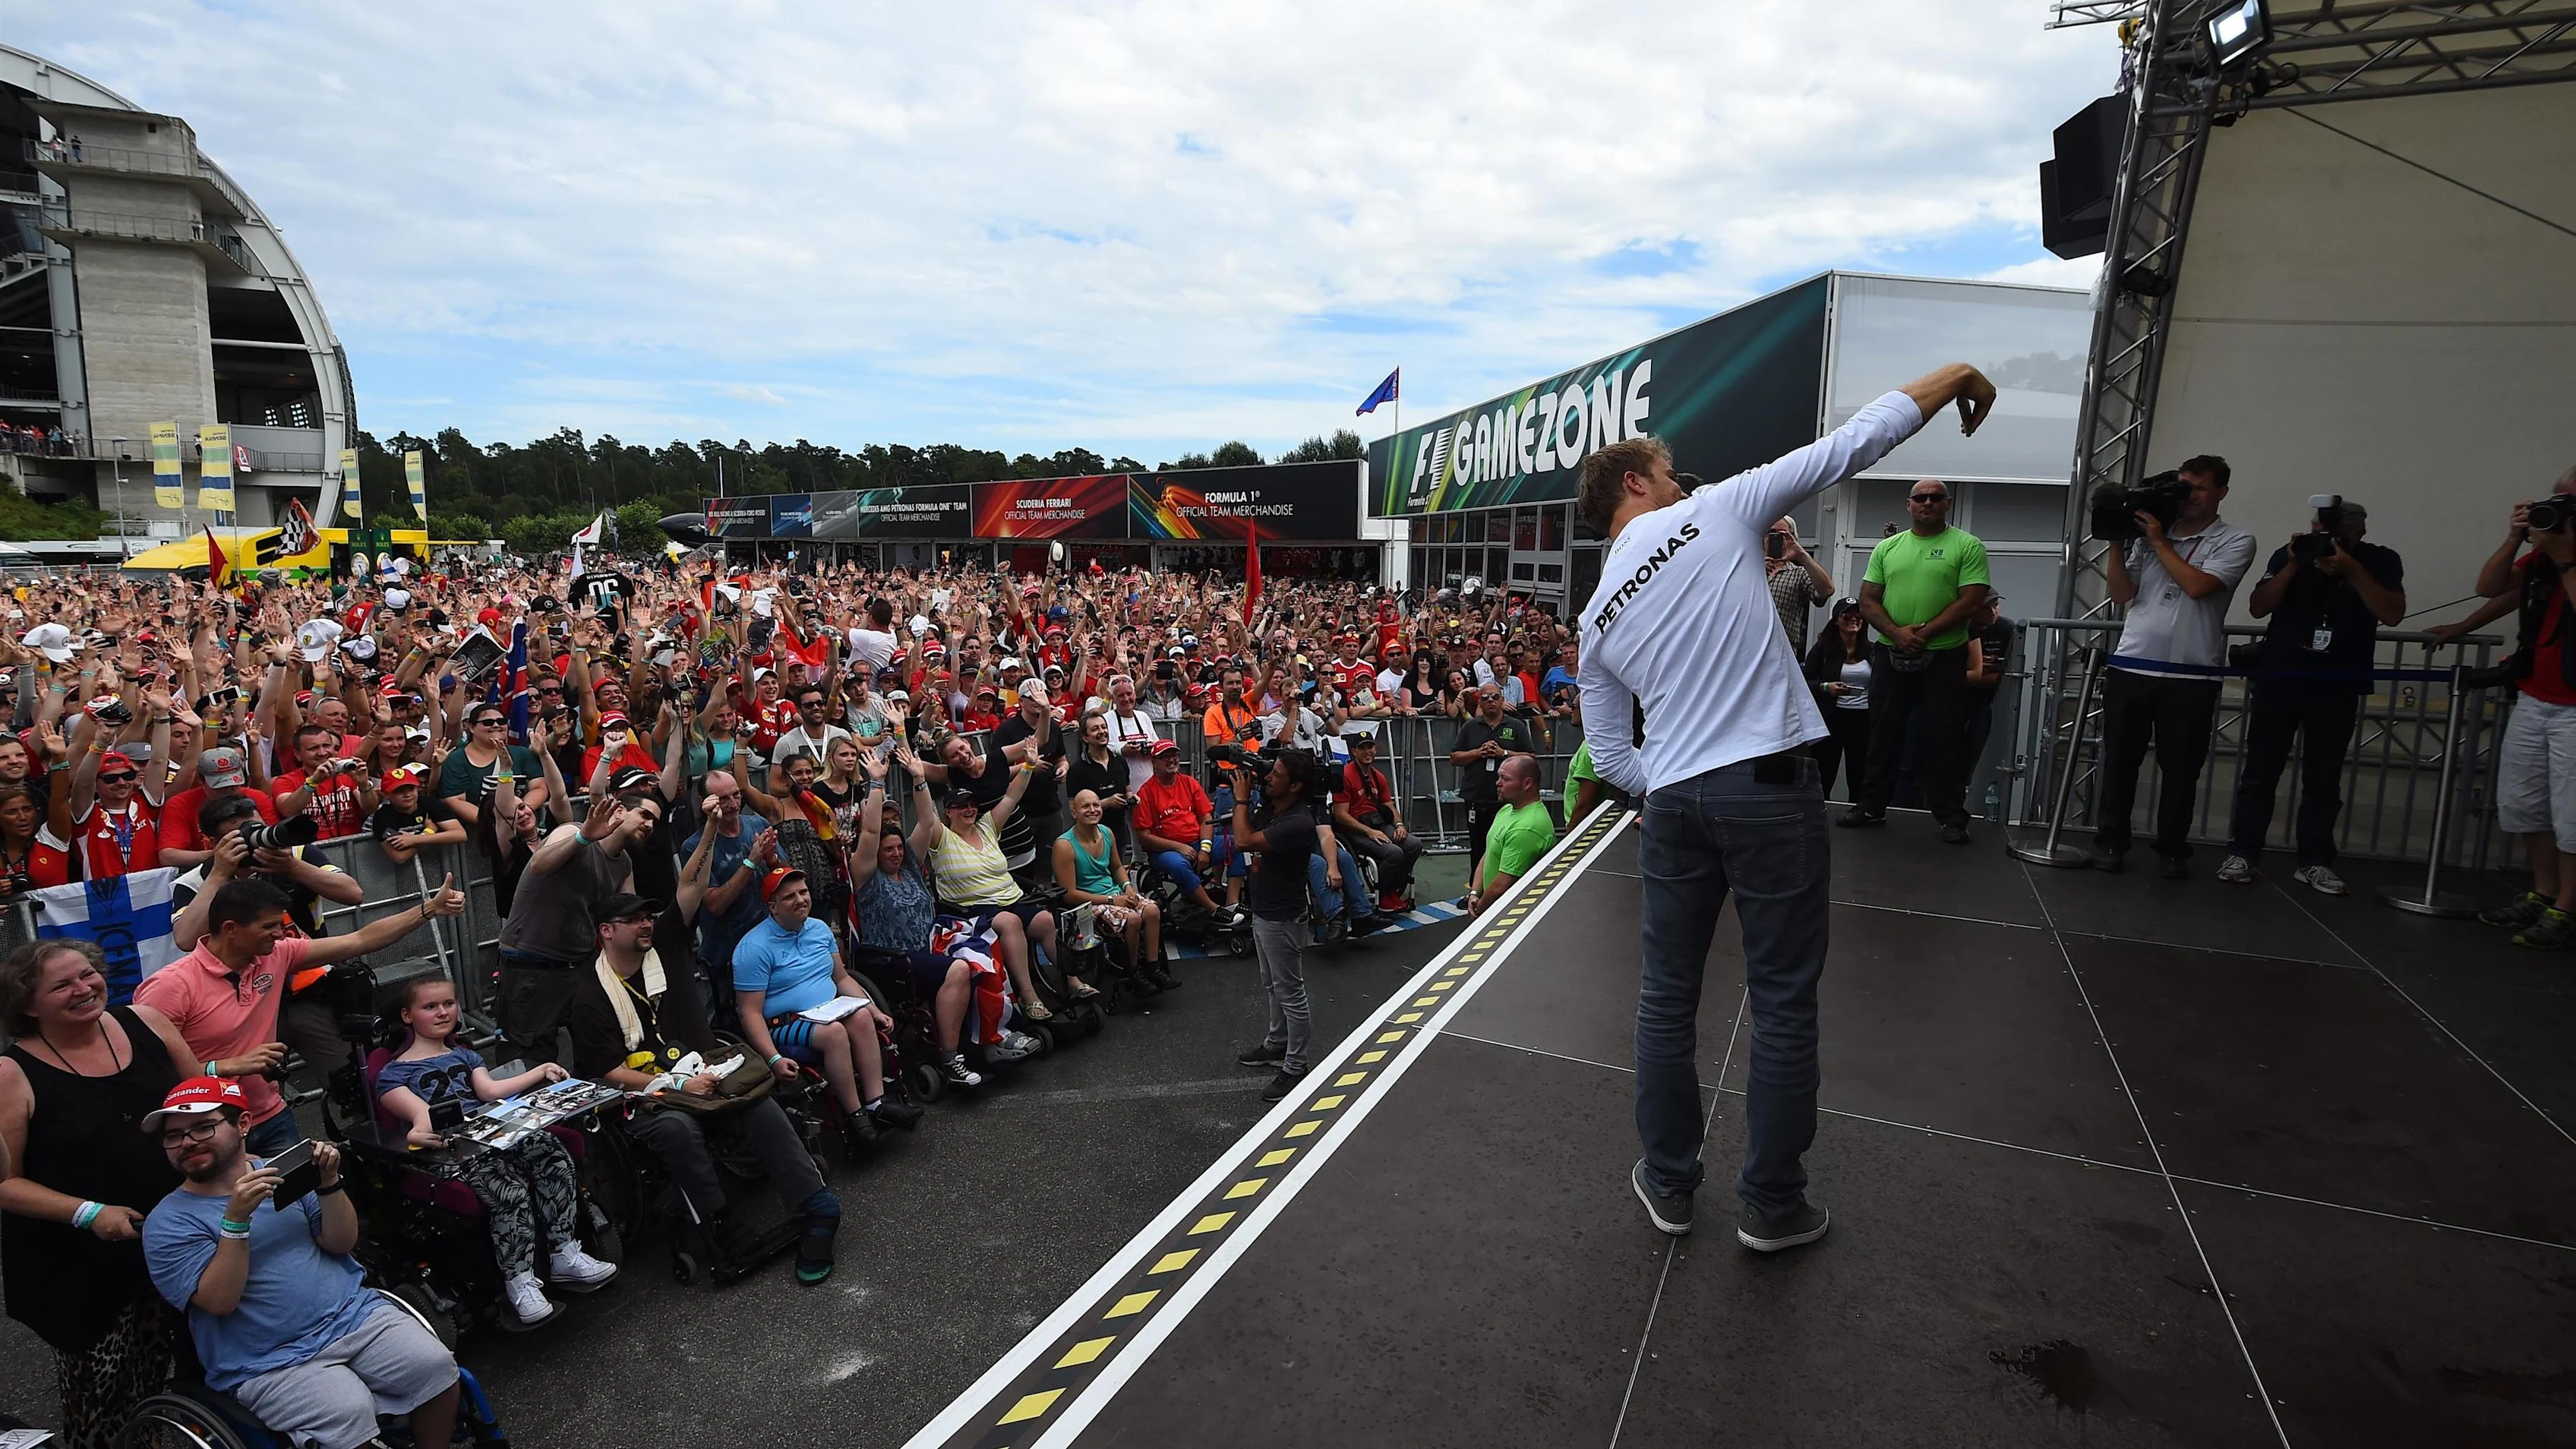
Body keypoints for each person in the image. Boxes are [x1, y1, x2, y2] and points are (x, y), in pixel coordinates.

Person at [1577, 361, 1997, 1252]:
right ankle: (1769, 1204)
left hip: (1677, 801)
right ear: (1634, 481)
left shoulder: (1593, 619)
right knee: (1779, 1001)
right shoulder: (1716, 509)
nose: (1678, 480)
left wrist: (1668, 785)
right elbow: (1855, 440)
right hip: (1766, 787)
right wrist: (1954, 374)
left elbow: (1610, 752)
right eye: (1666, 470)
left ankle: (1668, 1181)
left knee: (1664, 999)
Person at [140, 1077, 463, 1449]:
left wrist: (328, 1182)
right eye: (175, 1135)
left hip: (352, 1316)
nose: (187, 1142)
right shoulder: (168, 1222)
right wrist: (234, 1222)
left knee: (436, 1367)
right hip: (265, 1359)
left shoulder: (281, 1172)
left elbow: (341, 1243)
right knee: (347, 1410)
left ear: (242, 1125)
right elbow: (219, 1301)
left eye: (203, 1127)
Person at [563, 894, 843, 1286]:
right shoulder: (589, 992)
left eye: (648, 917)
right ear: (606, 932)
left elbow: (690, 890)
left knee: (756, 1103)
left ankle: (817, 1204)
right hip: (644, 1095)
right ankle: (722, 1223)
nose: (646, 924)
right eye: (633, 920)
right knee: (677, 1127)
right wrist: (678, 1084)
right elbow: (609, 1071)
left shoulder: (666, 962)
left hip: (697, 1066)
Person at [0, 940, 194, 1449]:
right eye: (62, 985)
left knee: (173, 1366)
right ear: (25, 1004)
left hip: (172, 1239)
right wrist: (89, 1213)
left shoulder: (148, 1021)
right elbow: (5, 1184)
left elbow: (204, 1105)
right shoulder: (10, 1074)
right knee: (103, 1396)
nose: (84, 989)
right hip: (80, 1264)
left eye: (88, 974)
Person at [138, 875, 469, 1157]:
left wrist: (429, 910)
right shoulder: (171, 986)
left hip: (270, 1116)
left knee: (297, 1208)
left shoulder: (275, 955)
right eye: (268, 926)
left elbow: (360, 939)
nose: (280, 934)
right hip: (206, 1129)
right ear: (230, 929)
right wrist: (221, 1068)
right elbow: (145, 1072)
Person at [374, 977, 617, 1326]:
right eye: (430, 1007)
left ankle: (564, 1253)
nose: (443, 1012)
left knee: (552, 1152)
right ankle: (520, 1281)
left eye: (448, 1003)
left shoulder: (466, 1054)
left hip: (494, 1132)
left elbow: (489, 1092)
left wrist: (540, 1070)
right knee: (510, 1190)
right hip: (453, 1149)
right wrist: (416, 1132)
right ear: (407, 1015)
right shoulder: (392, 1073)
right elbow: (419, 1115)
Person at [2218, 502, 2404, 895]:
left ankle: (2315, 861)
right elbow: (2258, 607)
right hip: (2281, 678)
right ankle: (2243, 852)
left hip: (2338, 683)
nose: (2329, 539)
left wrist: (2352, 569)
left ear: (2360, 531)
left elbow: (2391, 613)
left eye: (2340, 532)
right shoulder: (2294, 555)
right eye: (2322, 530)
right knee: (2260, 773)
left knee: (2324, 779)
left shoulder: (2380, 560)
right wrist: (2291, 565)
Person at [2091, 456, 2258, 879]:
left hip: (2191, 673)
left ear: (2221, 492)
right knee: (2119, 763)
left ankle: (2171, 850)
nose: (2189, 496)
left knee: (2181, 768)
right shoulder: (2148, 541)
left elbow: (2200, 587)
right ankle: (2111, 842)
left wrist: (2161, 542)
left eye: (2199, 488)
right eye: (2183, 486)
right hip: (2133, 665)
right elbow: (2121, 594)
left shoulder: (2235, 540)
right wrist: (2117, 539)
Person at [2429, 470, 2576, 946]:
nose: (2562, 510)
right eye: (2560, 500)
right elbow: (2493, 587)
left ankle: (2567, 909)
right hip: (2536, 695)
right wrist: (2515, 537)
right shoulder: (2546, 557)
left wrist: (2564, 556)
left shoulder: (2562, 557)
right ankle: (2543, 892)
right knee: (2525, 802)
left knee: (2572, 814)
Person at [848, 749, 1036, 1080]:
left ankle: (997, 1036)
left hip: (931, 943)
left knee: (985, 947)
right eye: (887, 850)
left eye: (898, 848)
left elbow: (926, 822)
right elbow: (869, 834)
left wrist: (919, 778)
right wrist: (876, 784)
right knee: (960, 969)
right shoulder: (866, 876)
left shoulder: (910, 867)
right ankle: (951, 1059)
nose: (894, 853)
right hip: (893, 958)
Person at [733, 863, 925, 1155]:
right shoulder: (753, 949)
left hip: (829, 1009)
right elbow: (749, 1013)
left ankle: (877, 1103)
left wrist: (873, 1010)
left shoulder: (819, 929)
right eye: (789, 897)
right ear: (773, 907)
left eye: (803, 892)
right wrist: (772, 1059)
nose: (800, 900)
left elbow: (842, 978)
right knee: (834, 1033)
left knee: (860, 1016)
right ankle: (856, 1116)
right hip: (783, 1023)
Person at [1845, 480, 1990, 844]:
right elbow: (1868, 600)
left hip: (1944, 656)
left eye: (1935, 498)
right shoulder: (1887, 548)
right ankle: (1872, 805)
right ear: (1908, 505)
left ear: (1948, 504)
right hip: (1891, 654)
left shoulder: (1967, 546)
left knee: (1945, 736)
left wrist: (1922, 635)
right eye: (1920, 498)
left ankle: (1951, 816)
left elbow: (1971, 601)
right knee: (1882, 732)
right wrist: (1897, 634)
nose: (1928, 503)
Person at [495, 789, 661, 1062]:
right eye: (644, 815)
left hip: (578, 966)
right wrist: (584, 837)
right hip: (532, 966)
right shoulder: (572, 831)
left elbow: (627, 917)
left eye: (655, 821)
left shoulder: (624, 864)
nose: (650, 825)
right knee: (527, 1060)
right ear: (619, 811)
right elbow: (539, 864)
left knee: (598, 1049)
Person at [927, 757, 1067, 1015]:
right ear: (948, 811)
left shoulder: (987, 827)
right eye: (960, 806)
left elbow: (1012, 797)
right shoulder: (941, 837)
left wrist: (1028, 766)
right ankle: (1028, 995)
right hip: (972, 911)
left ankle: (1071, 982)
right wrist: (917, 777)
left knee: (1046, 919)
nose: (968, 810)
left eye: (971, 805)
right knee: (1009, 922)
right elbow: (926, 814)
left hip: (1011, 900)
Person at [1230, 748, 1326, 1103]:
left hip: (1282, 918)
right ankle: (1276, 1043)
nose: (1269, 776)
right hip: (1265, 911)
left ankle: (1296, 1066)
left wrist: (1241, 798)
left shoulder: (1298, 822)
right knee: (1272, 985)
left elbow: (1244, 840)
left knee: (1291, 992)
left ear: (1296, 785)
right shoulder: (1275, 807)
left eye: (1277, 774)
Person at [1053, 788, 1176, 990]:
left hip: (1114, 894)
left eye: (1096, 805)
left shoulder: (1106, 833)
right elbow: (1070, 895)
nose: (1092, 810)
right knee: (1133, 919)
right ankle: (1133, 972)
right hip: (1089, 903)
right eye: (1085, 806)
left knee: (1153, 910)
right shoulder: (1065, 845)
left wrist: (1128, 887)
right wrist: (1111, 900)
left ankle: (1153, 967)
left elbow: (1117, 867)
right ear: (1074, 813)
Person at [680, 771, 772, 999]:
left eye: (737, 796)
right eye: (723, 799)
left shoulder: (757, 824)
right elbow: (715, 904)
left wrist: (772, 861)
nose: (733, 804)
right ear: (705, 802)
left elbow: (784, 877)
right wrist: (752, 861)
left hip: (770, 944)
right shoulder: (694, 847)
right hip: (727, 956)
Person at [1134, 738, 1239, 923]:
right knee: (1178, 865)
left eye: (1174, 755)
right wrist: (1178, 847)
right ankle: (1214, 910)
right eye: (1165, 757)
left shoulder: (1189, 783)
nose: (1171, 760)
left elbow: (1206, 818)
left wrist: (1205, 848)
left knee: (1238, 844)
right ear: (1154, 763)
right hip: (1164, 851)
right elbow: (1144, 837)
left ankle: (1232, 904)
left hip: (1199, 842)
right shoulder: (1145, 792)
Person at [1332, 731, 1421, 913]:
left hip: (1378, 823)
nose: (1367, 751)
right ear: (1354, 751)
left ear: (1376, 749)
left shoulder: (1378, 777)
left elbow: (1389, 804)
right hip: (1354, 829)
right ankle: (1384, 893)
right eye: (1362, 748)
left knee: (1414, 844)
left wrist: (1399, 825)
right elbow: (1341, 815)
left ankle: (1392, 889)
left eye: (1370, 747)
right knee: (1394, 853)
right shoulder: (1345, 775)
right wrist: (1369, 832)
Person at [1449, 683, 1536, 866]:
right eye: (1486, 697)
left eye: (1495, 697)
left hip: (1508, 800)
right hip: (1476, 796)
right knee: (1478, 846)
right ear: (1480, 702)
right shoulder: (1471, 726)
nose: (1491, 701)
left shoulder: (1516, 726)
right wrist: (1478, 752)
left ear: (1502, 701)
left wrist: (1503, 753)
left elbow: (1531, 757)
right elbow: (1455, 757)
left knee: (1507, 845)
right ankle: (1475, 890)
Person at [1464, 755, 1556, 915]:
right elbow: (1489, 853)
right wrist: (1475, 893)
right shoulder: (1507, 809)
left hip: (1507, 914)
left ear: (1527, 783)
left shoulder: (1527, 828)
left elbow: (1501, 886)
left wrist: (1480, 910)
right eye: (1499, 777)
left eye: (1505, 779)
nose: (1498, 783)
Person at [1803, 598, 1872, 803]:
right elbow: (1804, 681)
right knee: (1825, 770)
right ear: (1836, 621)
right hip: (1831, 719)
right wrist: (1826, 687)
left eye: (1858, 615)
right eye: (1847, 615)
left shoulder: (1872, 651)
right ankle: (1821, 810)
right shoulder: (1823, 650)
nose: (1853, 619)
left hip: (1863, 719)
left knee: (1859, 772)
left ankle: (1859, 812)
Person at [1960, 591, 2014, 788]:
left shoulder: (2006, 630)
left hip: (1987, 700)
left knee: (1978, 748)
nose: (1993, 612)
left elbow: (2010, 674)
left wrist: (1976, 674)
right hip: (1955, 700)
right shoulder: (1962, 628)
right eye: (1987, 607)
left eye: (1996, 605)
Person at [1765, 516, 1834, 655]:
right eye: (1771, 533)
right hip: (1745, 653)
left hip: (1781, 655)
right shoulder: (1747, 569)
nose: (1776, 538)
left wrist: (1801, 555)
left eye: (1783, 534)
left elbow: (1827, 590)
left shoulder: (1798, 573)